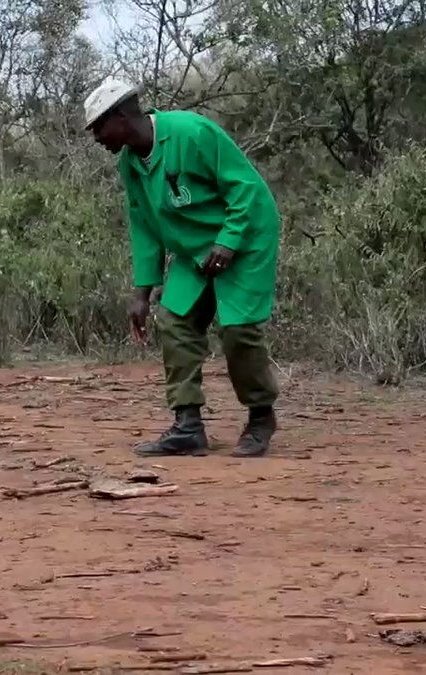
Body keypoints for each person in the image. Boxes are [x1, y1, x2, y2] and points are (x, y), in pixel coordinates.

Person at [82, 78, 281, 458]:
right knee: (175, 321)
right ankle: (188, 426)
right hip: (196, 250)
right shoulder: (130, 163)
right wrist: (142, 291)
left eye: (98, 127)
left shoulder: (192, 133)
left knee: (238, 329)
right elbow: (144, 225)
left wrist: (228, 240)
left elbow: (247, 190)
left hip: (246, 235)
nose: (96, 137)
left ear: (122, 116)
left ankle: (260, 418)